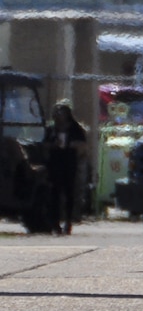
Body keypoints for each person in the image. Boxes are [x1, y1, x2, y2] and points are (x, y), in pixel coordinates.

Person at [45, 100, 87, 236]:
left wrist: (73, 144)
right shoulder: (51, 129)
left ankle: (68, 221)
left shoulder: (75, 128)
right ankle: (55, 223)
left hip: (69, 163)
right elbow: (44, 144)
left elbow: (83, 145)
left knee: (69, 193)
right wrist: (53, 145)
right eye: (56, 113)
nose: (58, 116)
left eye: (61, 113)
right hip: (55, 163)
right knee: (54, 194)